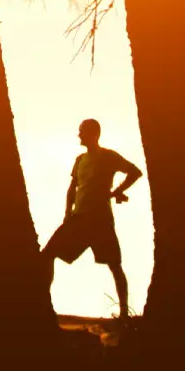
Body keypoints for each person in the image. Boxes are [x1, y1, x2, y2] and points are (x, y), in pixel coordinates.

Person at [42, 118, 145, 318]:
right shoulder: (80, 159)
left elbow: (135, 172)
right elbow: (73, 187)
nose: (79, 135)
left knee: (115, 264)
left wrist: (116, 192)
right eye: (79, 131)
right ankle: (44, 303)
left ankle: (124, 312)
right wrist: (67, 213)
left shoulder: (109, 156)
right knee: (48, 254)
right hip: (78, 218)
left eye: (82, 131)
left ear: (94, 134)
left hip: (101, 220)